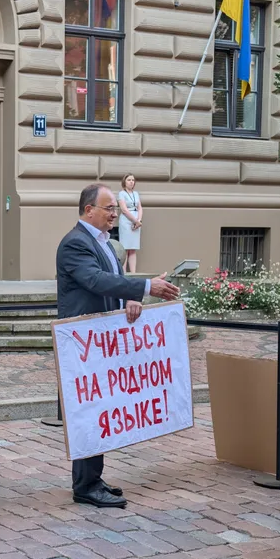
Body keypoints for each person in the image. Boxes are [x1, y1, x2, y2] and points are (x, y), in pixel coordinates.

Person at [56, 182, 181, 508]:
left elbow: (109, 285)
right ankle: (84, 486)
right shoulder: (75, 244)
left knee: (99, 409)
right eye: (110, 208)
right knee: (87, 411)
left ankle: (92, 478)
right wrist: (144, 285)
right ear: (89, 210)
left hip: (102, 340)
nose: (115, 213)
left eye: (115, 208)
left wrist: (130, 299)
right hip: (83, 342)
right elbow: (94, 280)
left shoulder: (106, 244)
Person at [118, 174, 143, 273]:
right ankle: (124, 273)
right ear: (124, 181)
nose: (131, 182)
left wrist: (139, 220)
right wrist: (135, 221)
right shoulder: (121, 194)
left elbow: (140, 207)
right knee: (125, 248)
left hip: (136, 222)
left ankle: (133, 273)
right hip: (126, 221)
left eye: (133, 180)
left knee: (133, 248)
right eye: (129, 180)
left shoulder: (136, 193)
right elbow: (124, 209)